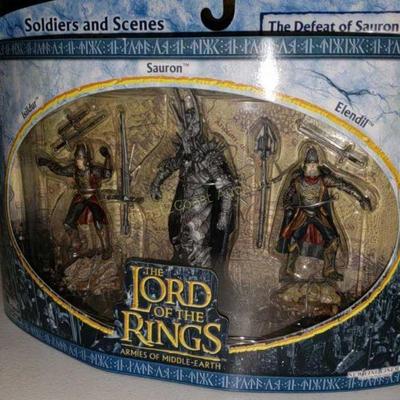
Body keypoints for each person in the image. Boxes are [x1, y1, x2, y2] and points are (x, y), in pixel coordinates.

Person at [150, 93, 237, 270]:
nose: (188, 127)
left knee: (199, 242)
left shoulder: (208, 156)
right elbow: (171, 165)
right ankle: (185, 273)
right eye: (186, 122)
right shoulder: (184, 153)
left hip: (201, 207)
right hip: (183, 206)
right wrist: (156, 182)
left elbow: (226, 187)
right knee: (182, 241)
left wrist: (224, 214)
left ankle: (203, 276)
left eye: (191, 121)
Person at [276, 146, 372, 282]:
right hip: (302, 214)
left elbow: (344, 185)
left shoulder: (324, 179)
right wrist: (287, 205)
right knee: (293, 240)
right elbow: (287, 196)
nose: (312, 167)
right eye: (310, 164)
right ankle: (288, 270)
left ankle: (329, 270)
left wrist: (361, 197)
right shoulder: (297, 181)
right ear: (305, 165)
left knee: (333, 240)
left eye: (314, 164)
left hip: (318, 214)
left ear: (318, 164)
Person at [37, 143, 113, 261]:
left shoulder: (94, 170)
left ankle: (106, 248)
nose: (78, 161)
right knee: (68, 223)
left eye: (80, 158)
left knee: (99, 222)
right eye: (77, 158)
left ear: (86, 159)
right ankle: (77, 244)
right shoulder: (73, 169)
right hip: (80, 197)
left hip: (93, 197)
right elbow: (59, 170)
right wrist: (47, 162)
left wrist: (107, 157)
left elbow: (107, 174)